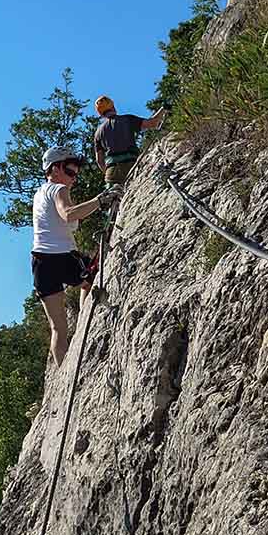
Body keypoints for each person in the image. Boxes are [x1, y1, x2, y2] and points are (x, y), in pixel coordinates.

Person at [32, 145, 120, 367]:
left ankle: (62, 373)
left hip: (40, 262)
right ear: (55, 169)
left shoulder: (39, 193)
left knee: (58, 328)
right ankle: (84, 324)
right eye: (70, 172)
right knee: (92, 279)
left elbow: (65, 222)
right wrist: (100, 201)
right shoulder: (58, 189)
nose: (73, 178)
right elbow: (68, 214)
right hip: (62, 258)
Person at [93, 96, 166, 184]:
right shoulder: (127, 119)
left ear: (100, 113)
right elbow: (153, 123)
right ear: (113, 107)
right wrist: (163, 109)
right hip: (131, 165)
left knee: (115, 196)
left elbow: (99, 161)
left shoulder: (98, 132)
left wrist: (108, 172)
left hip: (111, 171)